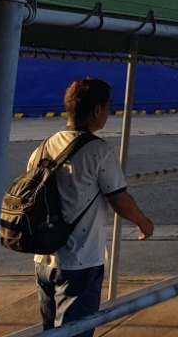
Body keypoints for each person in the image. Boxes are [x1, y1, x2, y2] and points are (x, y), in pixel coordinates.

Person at [32, 78, 154, 336]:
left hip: (44, 260)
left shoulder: (43, 147)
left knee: (50, 331)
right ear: (97, 110)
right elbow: (119, 199)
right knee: (76, 331)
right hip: (80, 262)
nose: (108, 113)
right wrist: (144, 222)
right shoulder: (98, 150)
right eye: (108, 108)